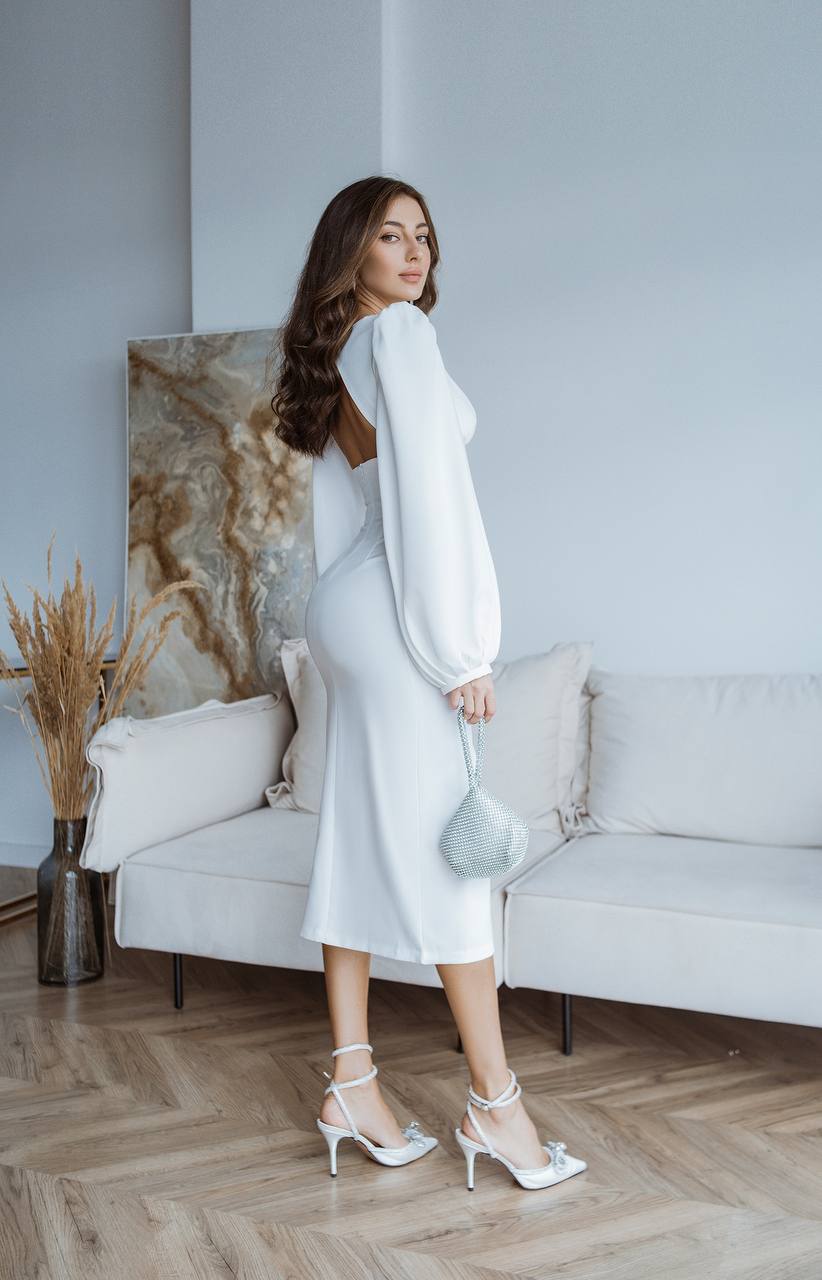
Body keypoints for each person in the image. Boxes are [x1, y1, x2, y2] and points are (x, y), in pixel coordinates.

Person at [271, 176, 586, 1190]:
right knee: (455, 857)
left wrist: (365, 623)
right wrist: (464, 650)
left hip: (349, 606)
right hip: (399, 603)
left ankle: (353, 1081)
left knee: (357, 834)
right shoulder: (398, 336)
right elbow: (431, 506)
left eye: (425, 237)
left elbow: (352, 506)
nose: (416, 254)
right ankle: (497, 1107)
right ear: (351, 252)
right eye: (391, 235)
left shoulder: (342, 349)